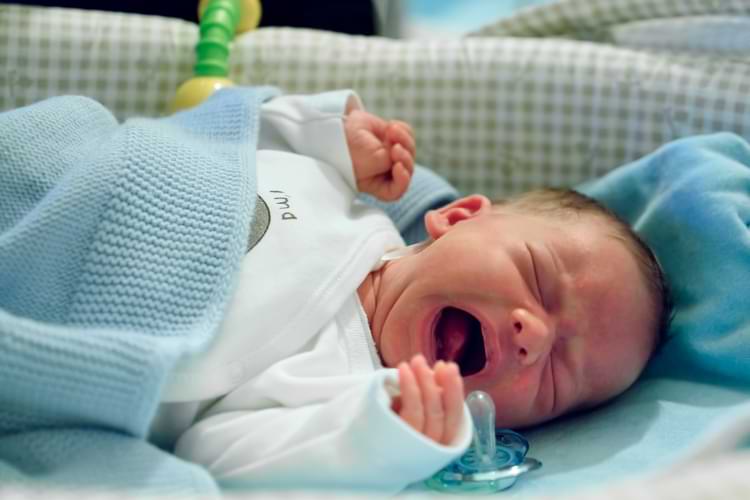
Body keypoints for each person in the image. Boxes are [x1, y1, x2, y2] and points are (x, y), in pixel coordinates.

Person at [149, 89, 669, 492]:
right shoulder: (339, 191)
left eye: (556, 376)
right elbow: (224, 134)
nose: (532, 335)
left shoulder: (341, 397)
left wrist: (376, 441)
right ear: (459, 216)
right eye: (536, 276)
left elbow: (213, 457)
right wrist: (328, 135)